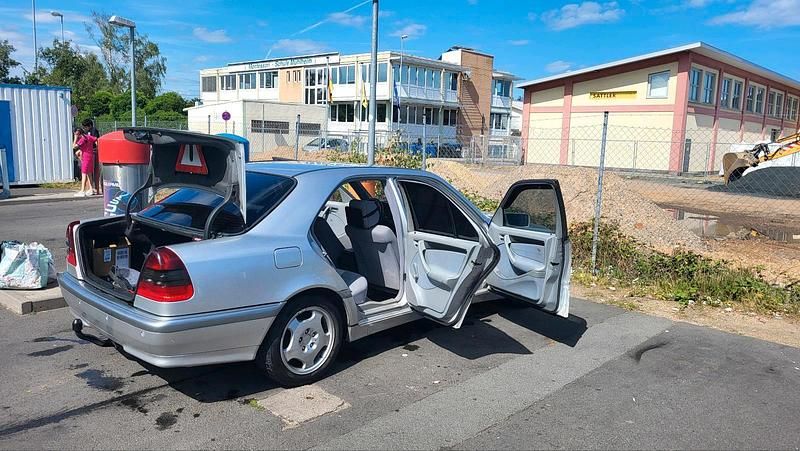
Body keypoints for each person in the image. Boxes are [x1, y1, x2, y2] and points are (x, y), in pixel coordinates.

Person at [73, 128, 97, 197]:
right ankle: (91, 189)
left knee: (84, 174)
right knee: (89, 173)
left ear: (77, 134)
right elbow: (95, 139)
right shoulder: (88, 136)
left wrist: (75, 138)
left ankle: (82, 190)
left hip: (85, 157)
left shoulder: (82, 139)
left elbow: (74, 147)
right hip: (91, 156)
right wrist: (96, 148)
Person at [82, 119, 102, 195]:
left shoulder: (94, 130)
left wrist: (97, 148)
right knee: (88, 172)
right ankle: (90, 188)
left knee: (95, 171)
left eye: (85, 127)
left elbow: (96, 140)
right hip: (88, 151)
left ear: (89, 126)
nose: (84, 129)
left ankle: (96, 189)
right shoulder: (86, 132)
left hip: (93, 151)